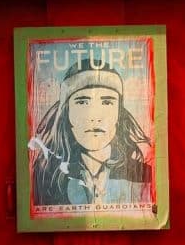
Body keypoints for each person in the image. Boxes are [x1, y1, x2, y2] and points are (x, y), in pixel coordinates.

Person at [30, 62, 153, 207]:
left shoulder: (144, 176)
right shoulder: (46, 178)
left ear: (119, 113)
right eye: (82, 102)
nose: (94, 116)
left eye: (107, 102)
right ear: (66, 112)